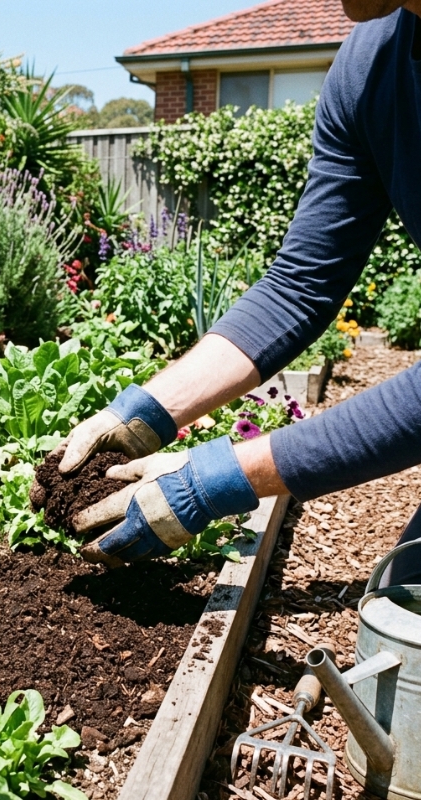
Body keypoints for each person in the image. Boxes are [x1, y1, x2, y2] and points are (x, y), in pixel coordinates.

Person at [59, 0, 421, 586]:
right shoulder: (370, 63)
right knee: (401, 607)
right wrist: (141, 415)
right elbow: (301, 282)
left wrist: (219, 479)